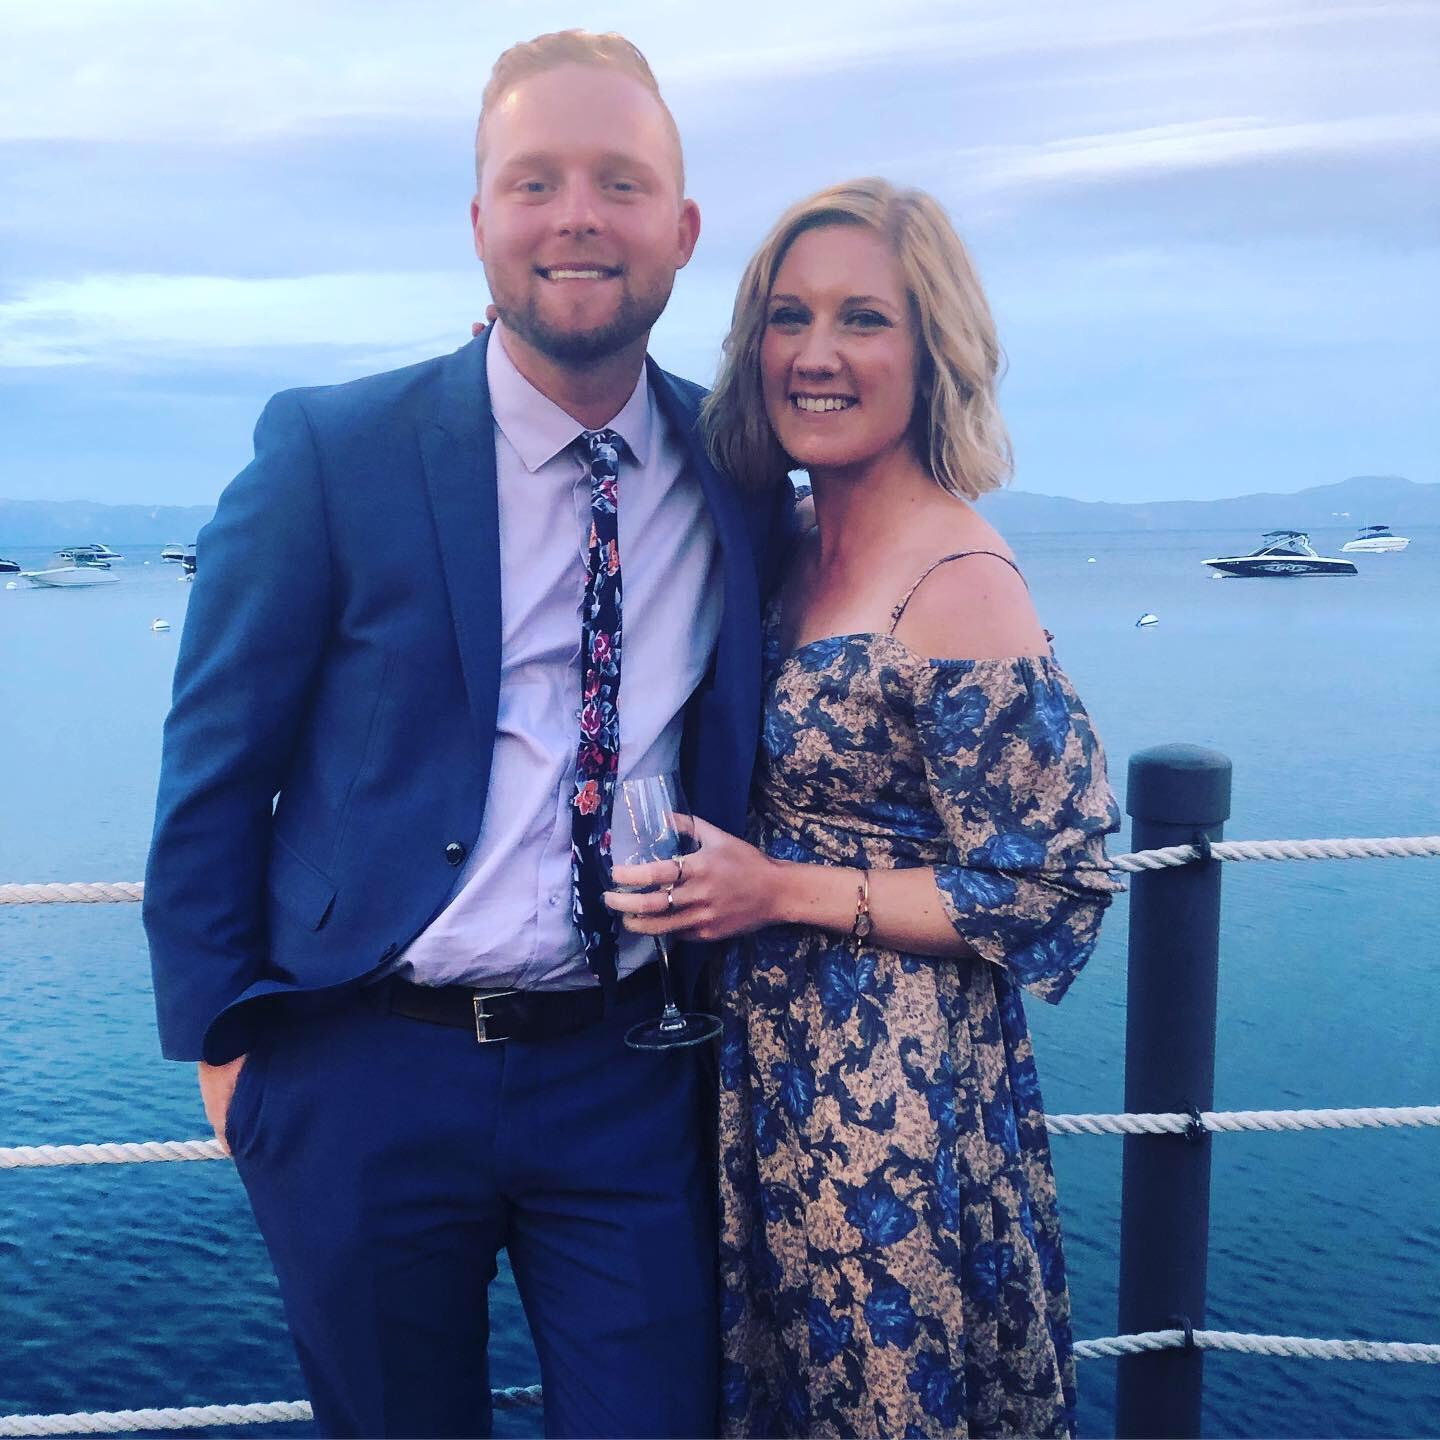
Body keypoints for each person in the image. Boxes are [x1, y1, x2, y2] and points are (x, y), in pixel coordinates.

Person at [143, 30, 790, 1439]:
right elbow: (214, 770)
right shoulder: (333, 452)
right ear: (479, 219)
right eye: (534, 181)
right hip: (365, 1067)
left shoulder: (736, 472)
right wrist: (227, 1053)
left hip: (628, 1073)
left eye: (620, 182)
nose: (577, 216)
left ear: (682, 230)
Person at [604, 178, 1124, 1438]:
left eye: (864, 319)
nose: (817, 354)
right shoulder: (782, 536)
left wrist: (777, 891)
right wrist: (528, 363)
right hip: (762, 1066)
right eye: (788, 317)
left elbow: (1055, 886)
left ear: (933, 352)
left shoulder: (959, 578)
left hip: (891, 1099)